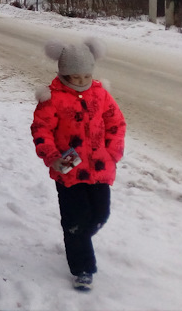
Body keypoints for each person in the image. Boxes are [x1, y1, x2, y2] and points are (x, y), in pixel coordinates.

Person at [30, 37, 126, 292]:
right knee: (75, 219)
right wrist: (52, 156)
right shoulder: (52, 99)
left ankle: (78, 238)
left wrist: (113, 152)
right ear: (63, 74)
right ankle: (82, 268)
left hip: (100, 169)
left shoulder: (100, 94)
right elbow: (42, 130)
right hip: (68, 171)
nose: (82, 81)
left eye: (86, 76)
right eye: (75, 77)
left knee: (100, 214)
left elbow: (116, 124)